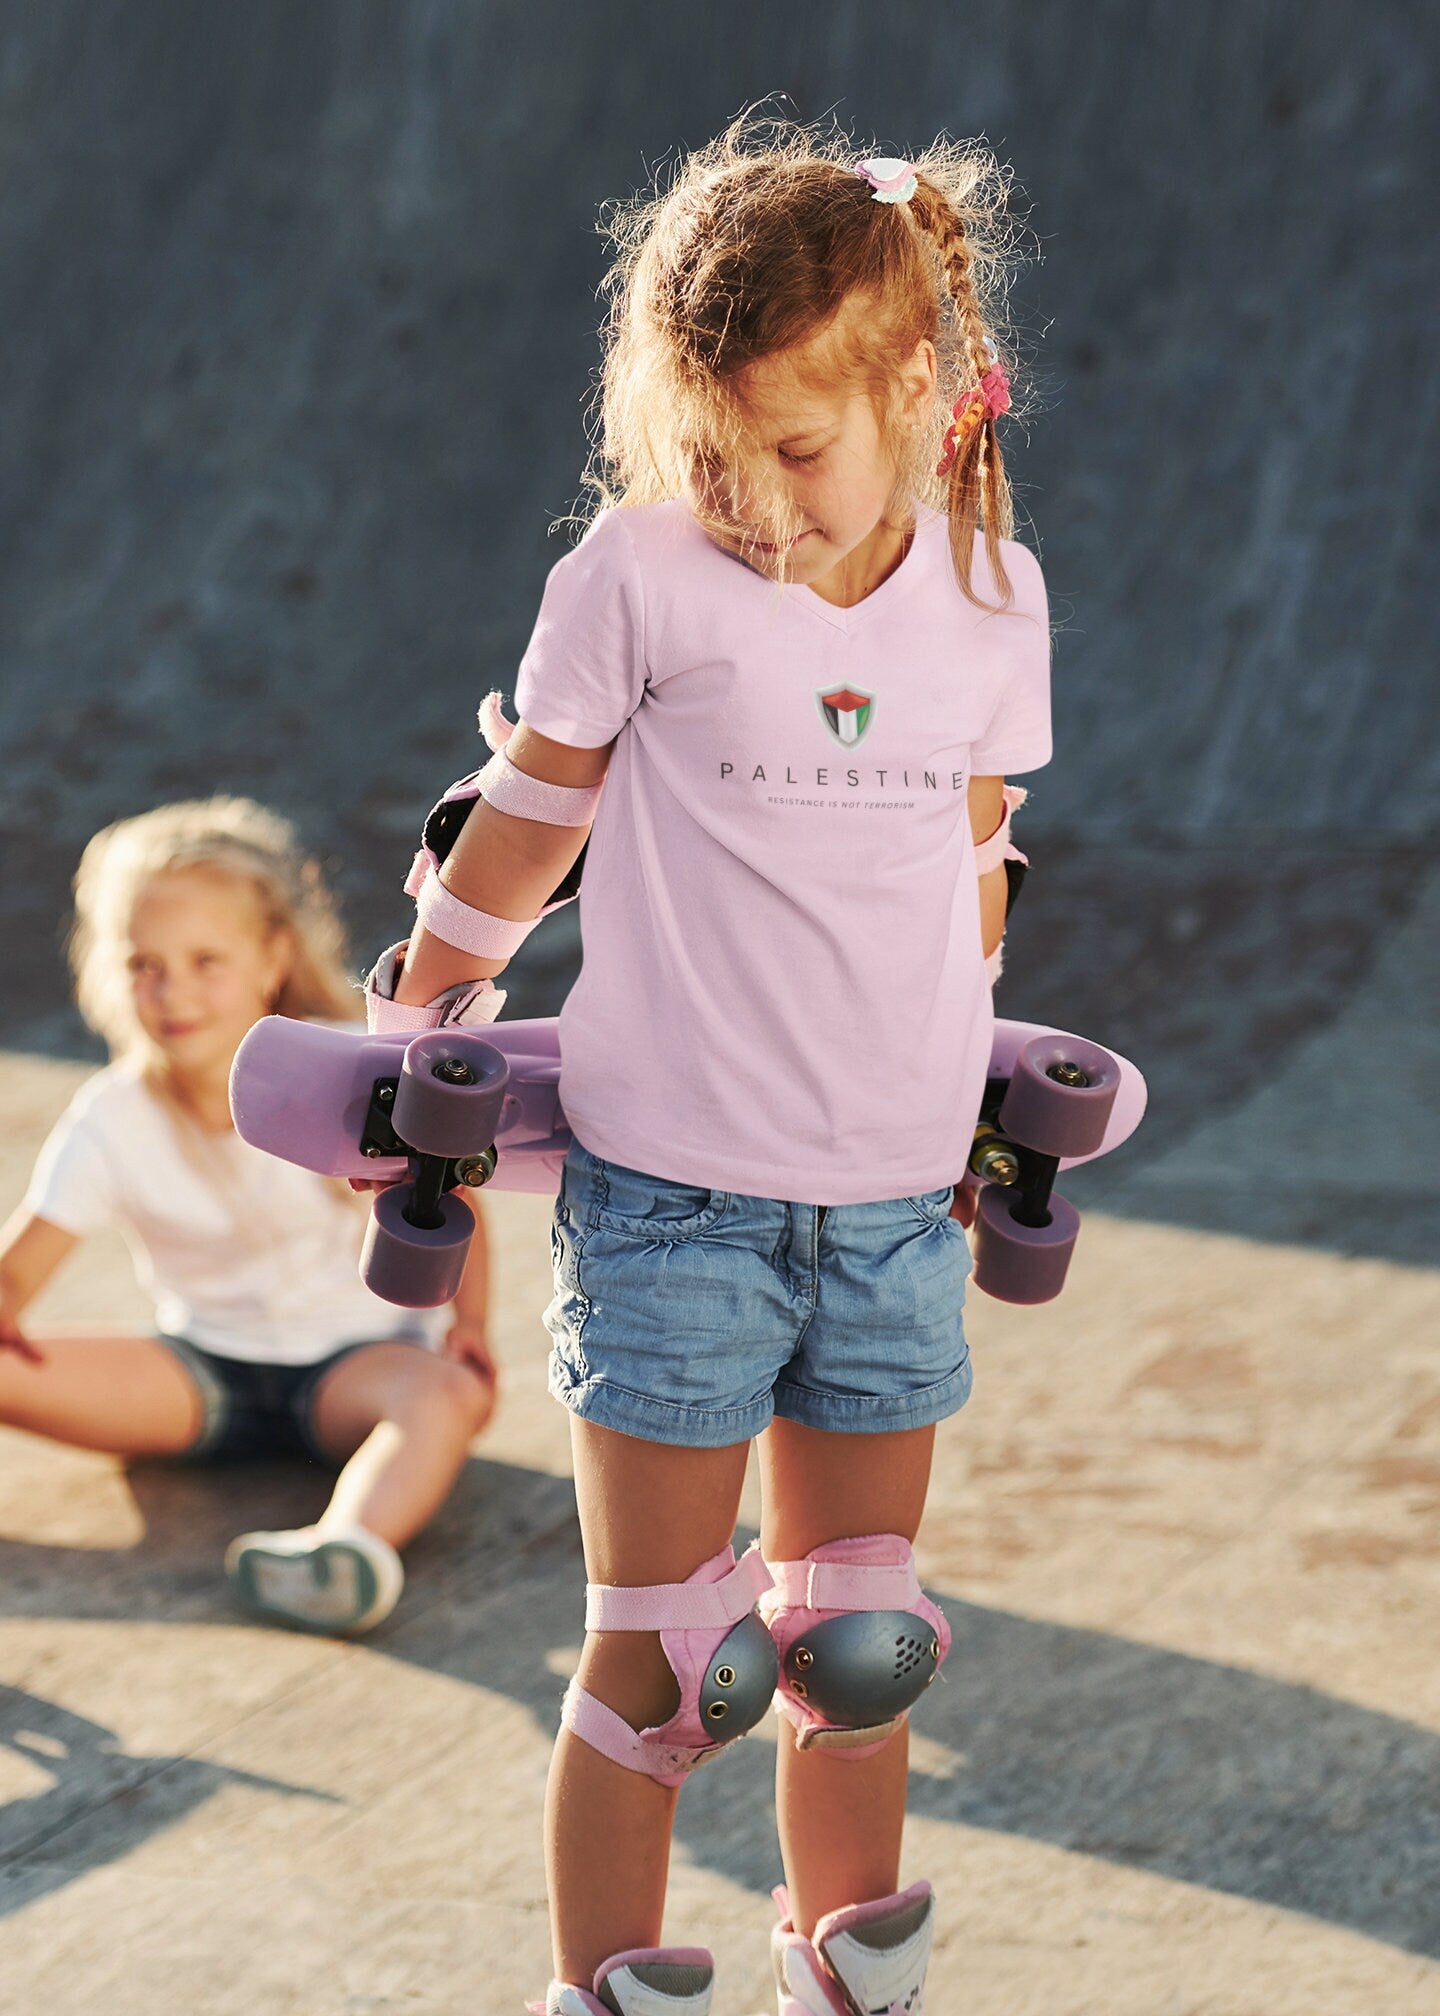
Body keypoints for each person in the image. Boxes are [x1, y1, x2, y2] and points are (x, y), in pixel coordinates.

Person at [367, 118, 1050, 2015]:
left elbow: (972, 855)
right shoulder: (642, 574)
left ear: (914, 388)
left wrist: (975, 1064)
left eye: (798, 450)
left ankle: (845, 1960)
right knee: (671, 1665)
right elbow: (527, 824)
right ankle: (609, 1987)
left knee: (856, 1641)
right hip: (673, 1193)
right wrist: (417, 1010)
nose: (754, 494)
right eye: (715, 449)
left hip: (897, 1195)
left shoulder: (997, 598)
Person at [0, 797, 496, 1636]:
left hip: (358, 1370)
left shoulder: (352, 1066)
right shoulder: (113, 1113)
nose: (173, 992)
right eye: (143, 965)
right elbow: (18, 1273)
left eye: (205, 960)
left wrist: (471, 1327)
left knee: (445, 1397)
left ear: (272, 954)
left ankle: (344, 1551)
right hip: (197, 1377)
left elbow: (454, 1200)